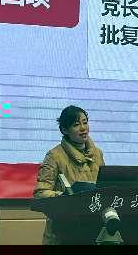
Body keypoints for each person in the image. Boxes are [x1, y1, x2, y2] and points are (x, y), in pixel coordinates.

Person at [33, 105, 105, 245]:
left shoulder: (97, 154)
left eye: (85, 122)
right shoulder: (54, 156)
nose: (83, 128)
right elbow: (40, 193)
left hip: (93, 230)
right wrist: (66, 197)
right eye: (76, 125)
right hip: (62, 233)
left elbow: (103, 188)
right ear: (64, 130)